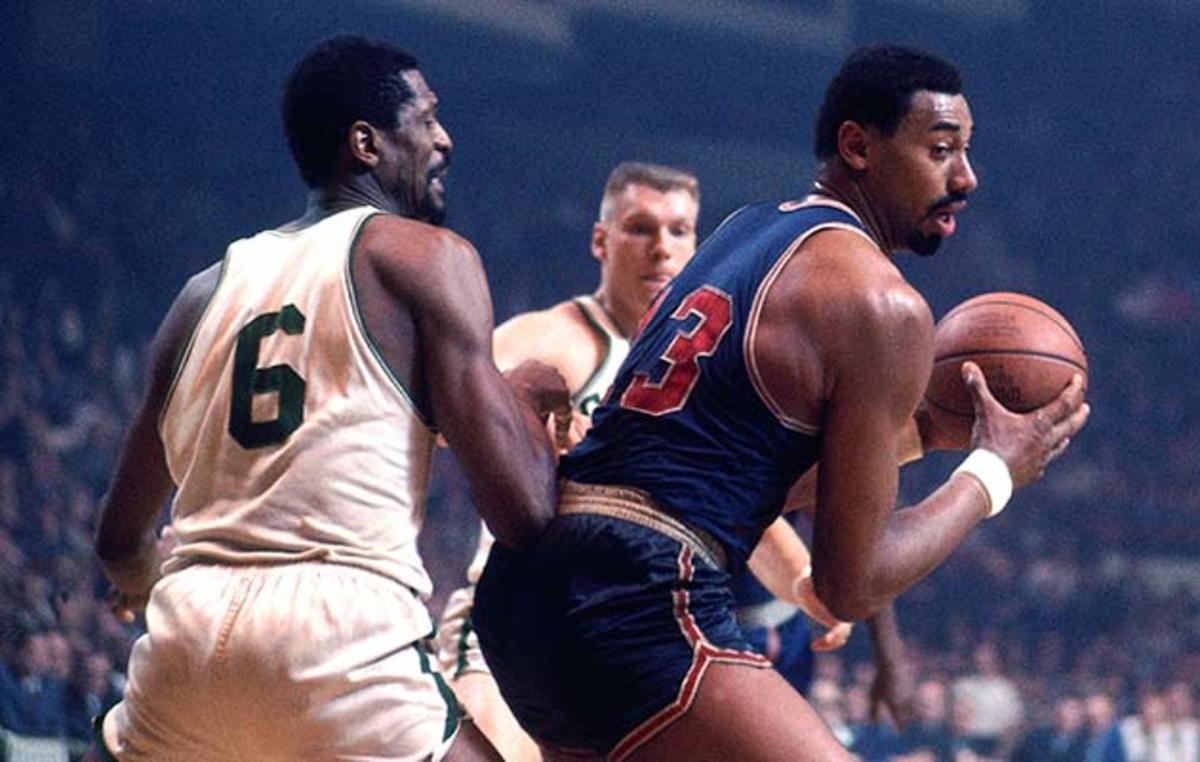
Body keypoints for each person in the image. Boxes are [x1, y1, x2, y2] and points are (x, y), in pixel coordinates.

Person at [474, 43, 1089, 760]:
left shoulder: (744, 230)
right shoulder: (882, 303)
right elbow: (850, 585)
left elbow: (741, 467)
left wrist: (923, 432)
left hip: (530, 580)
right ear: (857, 146)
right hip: (641, 590)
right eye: (941, 150)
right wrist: (992, 473)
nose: (966, 177)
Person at [88, 34, 567, 761]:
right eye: (427, 119)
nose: (444, 138)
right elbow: (523, 512)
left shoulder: (200, 295)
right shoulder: (425, 258)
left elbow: (118, 540)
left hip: (186, 634)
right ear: (366, 144)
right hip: (340, 632)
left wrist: (139, 585)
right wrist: (524, 405)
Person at [435, 161, 703, 761]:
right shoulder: (556, 337)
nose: (661, 248)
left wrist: (802, 581)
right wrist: (521, 423)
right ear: (601, 241)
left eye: (678, 230)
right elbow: (444, 409)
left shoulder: (697, 373)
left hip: (633, 647)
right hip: (519, 628)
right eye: (641, 228)